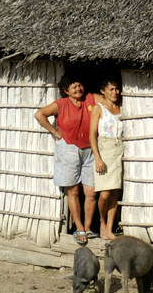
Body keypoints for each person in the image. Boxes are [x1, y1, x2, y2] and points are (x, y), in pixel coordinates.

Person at [34, 74, 102, 245]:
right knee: (73, 191)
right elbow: (40, 115)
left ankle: (87, 228)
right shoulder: (61, 104)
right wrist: (55, 132)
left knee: (91, 192)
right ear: (66, 90)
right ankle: (78, 227)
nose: (78, 88)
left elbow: (109, 98)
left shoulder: (91, 99)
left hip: (91, 149)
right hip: (69, 148)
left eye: (80, 85)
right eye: (74, 86)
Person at [89, 78, 123, 240]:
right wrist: (97, 157)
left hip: (119, 149)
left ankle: (109, 230)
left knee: (115, 193)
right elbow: (92, 135)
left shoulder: (121, 108)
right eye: (111, 89)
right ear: (103, 91)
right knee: (104, 194)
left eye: (116, 89)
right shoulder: (98, 108)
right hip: (104, 149)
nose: (114, 92)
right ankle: (102, 222)